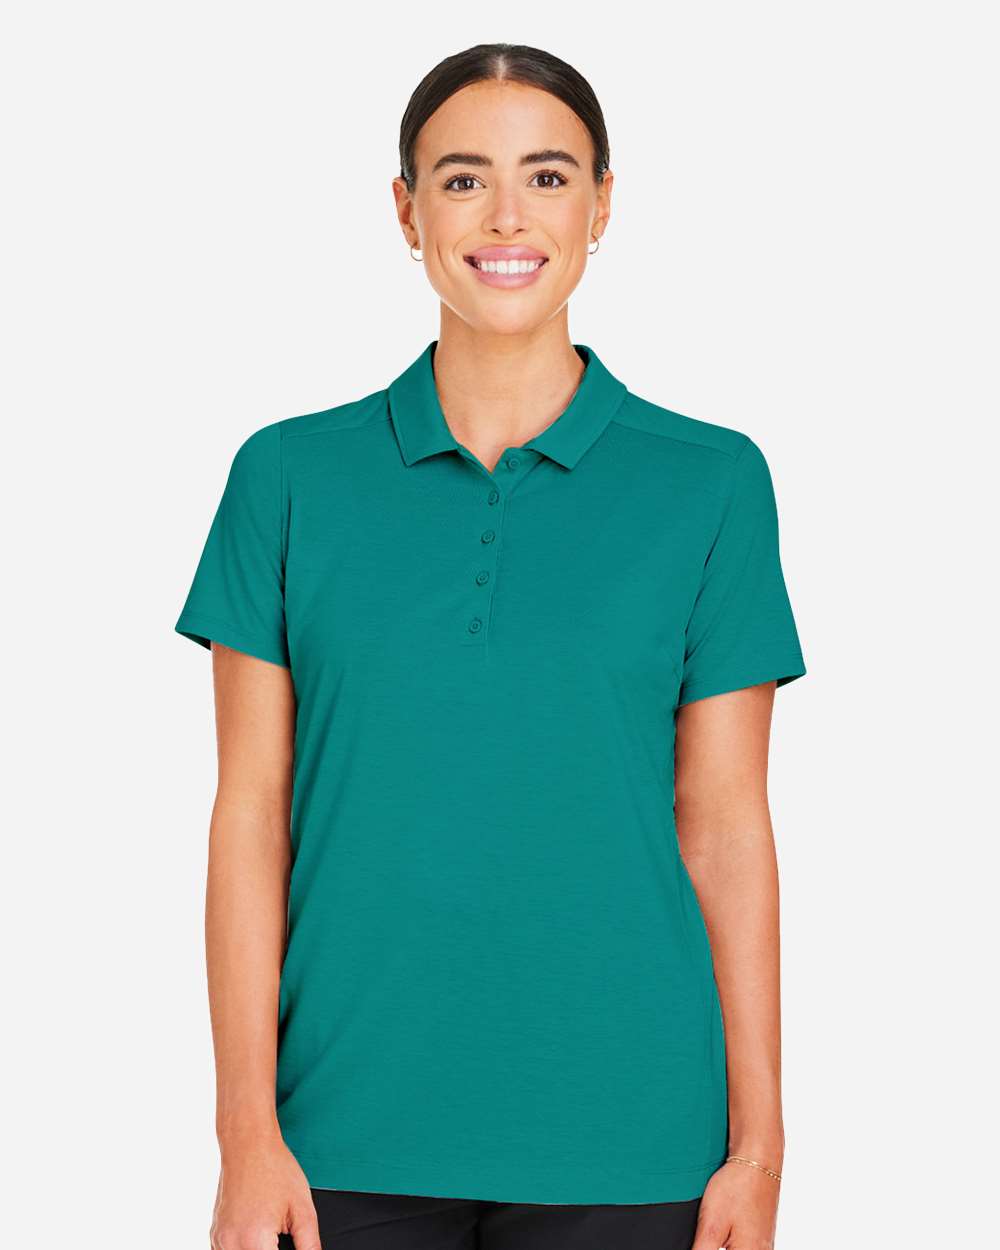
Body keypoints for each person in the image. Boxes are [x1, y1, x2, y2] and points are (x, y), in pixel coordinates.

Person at [175, 42, 807, 1250]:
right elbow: (250, 813)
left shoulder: (712, 482)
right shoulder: (286, 476)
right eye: (463, 179)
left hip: (633, 1136)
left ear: (601, 206)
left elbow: (726, 823)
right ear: (405, 209)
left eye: (548, 177)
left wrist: (761, 1146)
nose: (506, 216)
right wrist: (245, 1134)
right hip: (339, 1134)